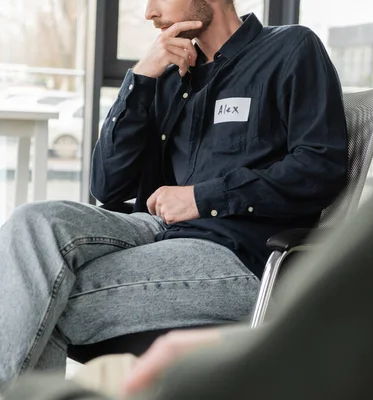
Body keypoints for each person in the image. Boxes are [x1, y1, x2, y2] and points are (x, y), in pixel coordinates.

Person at [0, 0, 348, 392]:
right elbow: (107, 187)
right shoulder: (169, 72)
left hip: (242, 251)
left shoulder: (291, 48)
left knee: (38, 295)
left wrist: (203, 197)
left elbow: (321, 166)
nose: (149, 13)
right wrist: (142, 77)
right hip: (155, 229)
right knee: (34, 222)